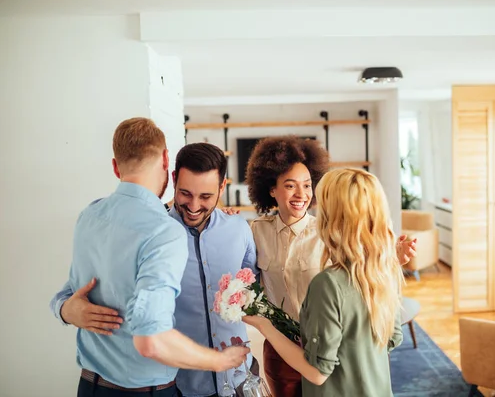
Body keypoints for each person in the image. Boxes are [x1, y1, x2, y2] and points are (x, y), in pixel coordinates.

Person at [49, 118, 249, 397]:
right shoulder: (165, 232)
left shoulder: (89, 216)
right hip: (151, 390)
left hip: (89, 386)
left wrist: (64, 310)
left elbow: (69, 294)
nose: (193, 206)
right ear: (168, 162)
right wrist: (219, 360)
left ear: (115, 166)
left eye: (205, 196)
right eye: (186, 193)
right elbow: (150, 342)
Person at [243, 136, 416, 396]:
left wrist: (262, 325)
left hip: (324, 356)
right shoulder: (254, 232)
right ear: (271, 189)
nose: (303, 195)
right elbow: (390, 337)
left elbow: (317, 372)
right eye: (291, 186)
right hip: (288, 348)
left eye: (309, 187)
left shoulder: (330, 278)